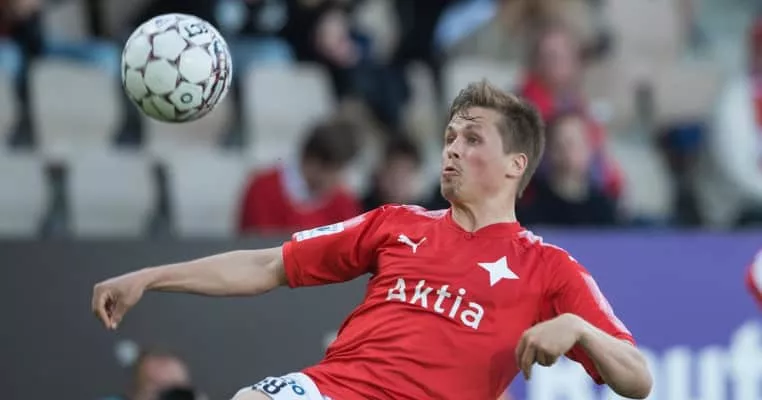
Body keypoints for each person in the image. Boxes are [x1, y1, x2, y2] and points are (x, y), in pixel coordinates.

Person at [92, 81, 653, 400]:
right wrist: (151, 277)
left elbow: (638, 379)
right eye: (449, 136)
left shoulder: (548, 267)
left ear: (515, 164)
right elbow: (267, 265)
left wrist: (580, 328)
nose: (452, 148)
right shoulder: (396, 223)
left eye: (472, 138)